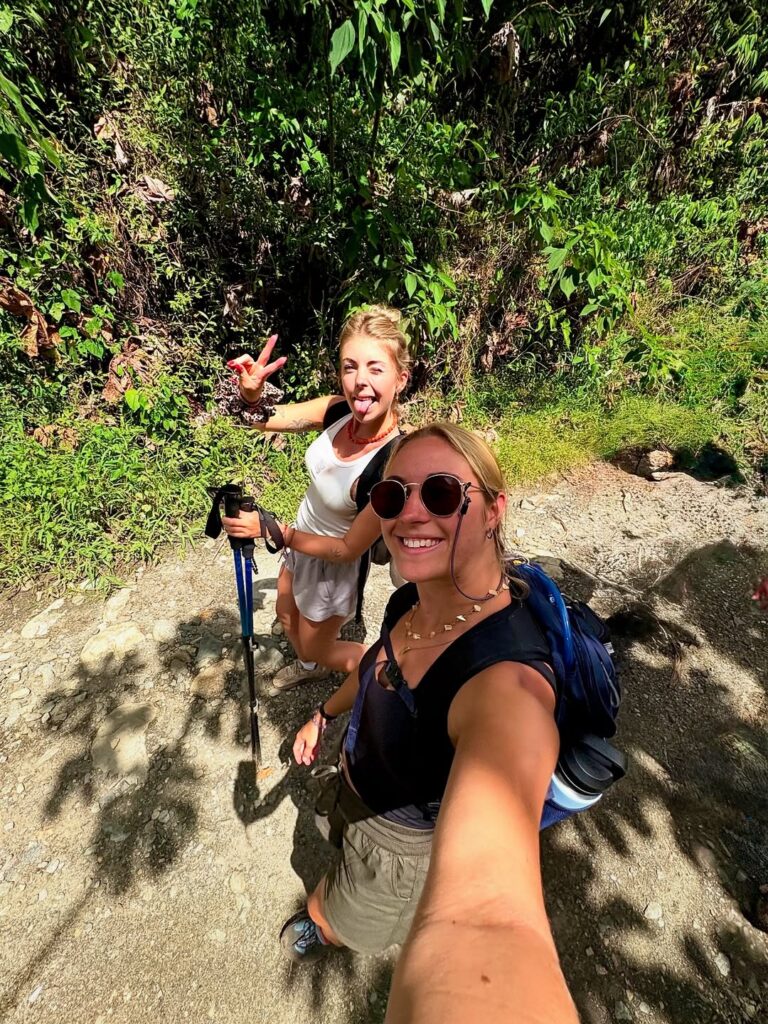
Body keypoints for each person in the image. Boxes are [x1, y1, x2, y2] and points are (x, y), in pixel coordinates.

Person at [280, 423, 578, 1023]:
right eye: (393, 497)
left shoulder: (506, 683)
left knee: (347, 914)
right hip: (357, 787)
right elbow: (374, 666)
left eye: (441, 494)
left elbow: (487, 918)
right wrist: (323, 711)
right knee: (336, 857)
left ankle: (328, 927)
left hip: (403, 846)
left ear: (494, 510)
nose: (411, 515)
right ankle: (326, 907)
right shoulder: (414, 599)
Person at [221, 306, 409, 691]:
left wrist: (274, 531)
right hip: (300, 540)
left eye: (376, 369)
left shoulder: (393, 463)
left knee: (318, 646)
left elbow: (347, 549)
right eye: (349, 366)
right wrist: (250, 393)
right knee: (285, 614)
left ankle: (393, 668)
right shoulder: (337, 410)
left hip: (331, 565)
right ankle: (310, 664)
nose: (359, 381)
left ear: (400, 379)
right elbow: (262, 418)